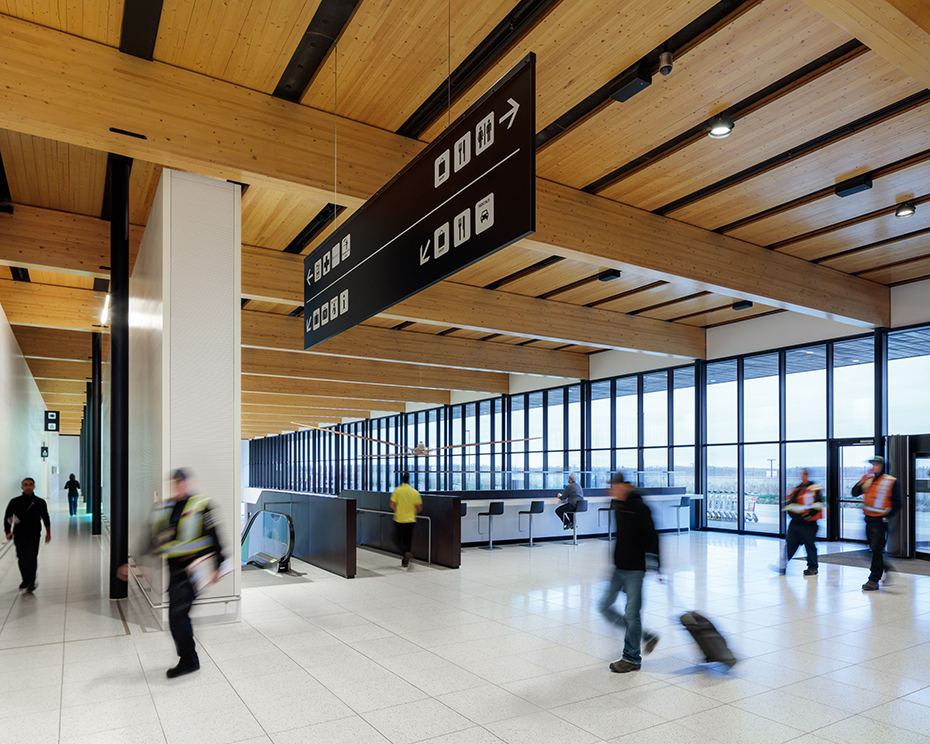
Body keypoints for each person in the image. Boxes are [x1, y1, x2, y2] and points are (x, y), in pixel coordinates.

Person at [151, 469, 226, 677]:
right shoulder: (167, 508)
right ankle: (189, 658)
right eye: (176, 483)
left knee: (178, 615)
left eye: (182, 482)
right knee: (178, 615)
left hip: (193, 571)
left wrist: (220, 563)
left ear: (189, 483)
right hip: (174, 571)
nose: (179, 486)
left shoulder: (202, 506)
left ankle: (189, 660)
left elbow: (215, 535)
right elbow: (157, 538)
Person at [599, 472, 660, 673]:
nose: (611, 490)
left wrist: (656, 564)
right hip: (619, 567)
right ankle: (645, 636)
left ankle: (631, 658)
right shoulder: (619, 505)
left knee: (632, 614)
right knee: (604, 606)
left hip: (634, 569)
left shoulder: (639, 507)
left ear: (624, 486)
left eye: (614, 486)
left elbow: (652, 536)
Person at [853, 455, 900, 591]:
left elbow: (898, 503)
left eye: (876, 464)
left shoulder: (890, 481)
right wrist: (860, 482)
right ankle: (886, 567)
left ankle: (873, 579)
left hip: (880, 521)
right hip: (868, 519)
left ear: (882, 466)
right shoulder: (868, 480)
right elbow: (855, 493)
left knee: (876, 550)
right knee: (871, 550)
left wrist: (888, 516)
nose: (873, 467)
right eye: (872, 464)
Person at [4, 477, 51, 592]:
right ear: (22, 487)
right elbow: (8, 517)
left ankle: (31, 581)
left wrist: (48, 533)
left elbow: (46, 518)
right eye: (26, 484)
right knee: (21, 558)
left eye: (30, 484)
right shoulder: (15, 502)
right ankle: (25, 579)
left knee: (31, 557)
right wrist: (8, 531)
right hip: (19, 534)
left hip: (34, 534)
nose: (28, 487)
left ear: (34, 486)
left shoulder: (40, 502)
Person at [779, 469, 824, 577]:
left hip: (809, 523)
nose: (803, 477)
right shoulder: (796, 490)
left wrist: (807, 516)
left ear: (809, 476)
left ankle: (812, 567)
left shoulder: (814, 489)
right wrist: (795, 516)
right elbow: (790, 503)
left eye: (805, 474)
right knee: (790, 543)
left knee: (810, 545)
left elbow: (818, 505)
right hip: (796, 522)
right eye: (801, 474)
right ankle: (783, 565)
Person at [390, 473, 422, 569]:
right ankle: (405, 561)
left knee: (396, 539)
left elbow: (392, 505)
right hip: (411, 520)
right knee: (407, 540)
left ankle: (405, 553)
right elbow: (419, 507)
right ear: (409, 480)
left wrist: (399, 510)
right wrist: (412, 513)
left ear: (402, 480)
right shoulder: (414, 492)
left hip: (399, 519)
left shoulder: (397, 491)